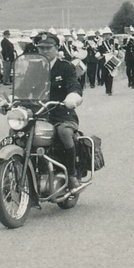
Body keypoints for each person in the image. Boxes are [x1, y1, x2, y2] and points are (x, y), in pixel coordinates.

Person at [33, 31, 84, 190]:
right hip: (39, 114)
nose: (44, 51)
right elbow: (22, 87)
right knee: (18, 131)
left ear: (56, 48)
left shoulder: (65, 67)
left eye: (48, 47)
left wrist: (73, 97)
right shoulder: (33, 68)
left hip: (62, 114)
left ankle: (72, 174)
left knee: (64, 132)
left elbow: (74, 85)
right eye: (41, 48)